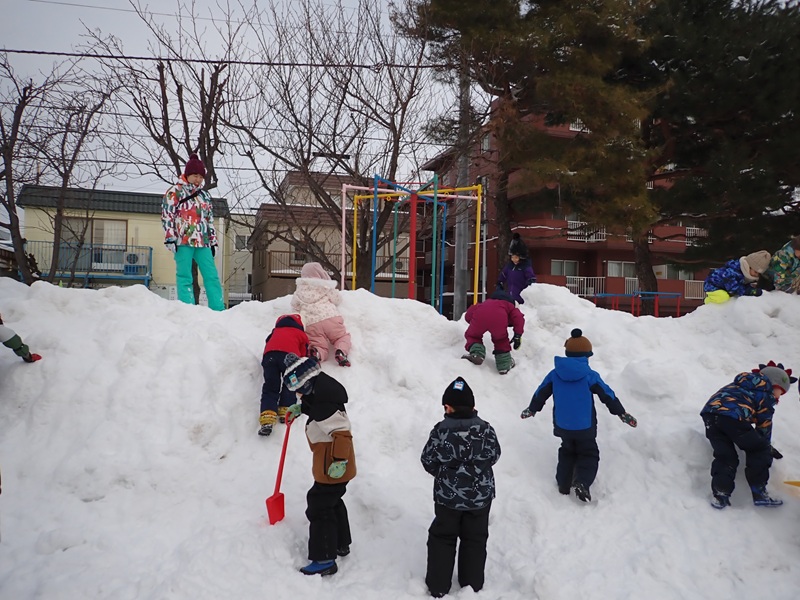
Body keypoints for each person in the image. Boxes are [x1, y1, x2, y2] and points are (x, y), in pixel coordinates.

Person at [521, 328, 637, 502]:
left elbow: (541, 392)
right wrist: (621, 413)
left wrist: (532, 409)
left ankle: (563, 484)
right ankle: (582, 482)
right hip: (584, 426)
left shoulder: (554, 374)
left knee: (567, 450)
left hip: (563, 424)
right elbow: (607, 395)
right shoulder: (590, 375)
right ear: (587, 355)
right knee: (589, 453)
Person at [421, 377, 500, 598]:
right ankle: (472, 584)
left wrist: (444, 475)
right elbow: (494, 455)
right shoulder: (486, 429)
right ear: (472, 406)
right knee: (475, 538)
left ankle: (438, 585)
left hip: (447, 498)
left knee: (442, 537)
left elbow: (428, 459)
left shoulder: (440, 431)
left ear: (448, 407)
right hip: (480, 497)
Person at [283, 353, 356, 577]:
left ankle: (324, 559)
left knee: (319, 506)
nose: (297, 394)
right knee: (332, 502)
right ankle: (341, 543)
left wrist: (340, 461)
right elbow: (314, 405)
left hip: (333, 467)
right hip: (330, 465)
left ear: (307, 383)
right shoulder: (322, 396)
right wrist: (301, 409)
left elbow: (342, 434)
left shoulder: (327, 406)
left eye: (299, 390)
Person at [699, 361, 795, 509]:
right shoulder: (765, 392)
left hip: (710, 416)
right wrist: (765, 446)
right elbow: (764, 425)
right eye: (780, 392)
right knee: (758, 449)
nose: (779, 396)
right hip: (733, 418)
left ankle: (720, 494)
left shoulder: (740, 384)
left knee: (725, 456)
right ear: (774, 384)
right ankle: (759, 493)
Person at [161, 153, 224, 311]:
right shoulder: (174, 192)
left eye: (201, 177)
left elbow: (209, 220)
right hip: (182, 240)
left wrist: (213, 242)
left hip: (203, 241)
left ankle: (218, 309)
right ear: (187, 174)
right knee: (184, 276)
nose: (198, 180)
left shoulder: (204, 196)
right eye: (195, 176)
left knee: (211, 275)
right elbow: (167, 216)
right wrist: (170, 238)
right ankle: (187, 309)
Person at [291, 262, 352, 367]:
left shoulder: (299, 291)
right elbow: (337, 299)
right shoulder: (325, 286)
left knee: (318, 343)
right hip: (330, 318)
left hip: (311, 323)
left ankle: (317, 353)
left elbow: (295, 307)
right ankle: (341, 351)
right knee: (341, 337)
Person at [258, 314, 308, 436]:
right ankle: (286, 409)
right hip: (289, 358)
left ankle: (267, 417)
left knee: (270, 386)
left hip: (270, 357)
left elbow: (267, 342)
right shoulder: (301, 334)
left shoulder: (275, 331)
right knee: (290, 384)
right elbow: (304, 353)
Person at [463, 289, 524, 375]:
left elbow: (468, 314)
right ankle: (504, 364)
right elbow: (519, 318)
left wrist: (473, 321)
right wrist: (518, 334)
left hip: (480, 315)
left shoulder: (485, 303)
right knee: (501, 340)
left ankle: (477, 353)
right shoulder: (510, 305)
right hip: (499, 319)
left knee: (473, 336)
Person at [703, 250, 771, 304]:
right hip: (713, 286)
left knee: (730, 297)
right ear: (748, 266)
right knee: (723, 297)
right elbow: (735, 288)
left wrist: (751, 289)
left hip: (725, 288)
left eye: (759, 274)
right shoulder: (732, 272)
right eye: (755, 272)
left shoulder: (745, 274)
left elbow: (743, 285)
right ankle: (708, 302)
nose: (756, 275)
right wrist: (749, 291)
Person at [496, 233, 536, 304]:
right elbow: (502, 277)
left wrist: (528, 288)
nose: (514, 259)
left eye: (516, 257)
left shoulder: (525, 267)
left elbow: (531, 279)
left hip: (522, 300)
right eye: (512, 257)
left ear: (521, 258)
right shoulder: (509, 266)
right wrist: (499, 285)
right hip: (510, 298)